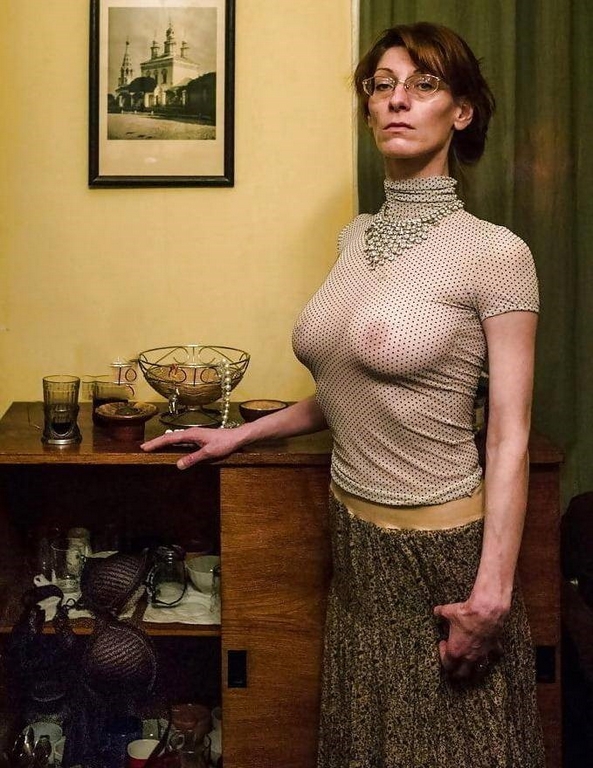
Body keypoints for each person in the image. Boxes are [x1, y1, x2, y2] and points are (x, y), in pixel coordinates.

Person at [142, 21, 544, 767]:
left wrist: (490, 595)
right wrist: (239, 435)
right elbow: (348, 391)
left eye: (424, 84)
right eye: (381, 85)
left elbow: (509, 433)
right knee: (365, 747)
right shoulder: (353, 239)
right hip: (356, 546)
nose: (397, 100)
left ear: (461, 112)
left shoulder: (496, 253)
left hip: (445, 555)